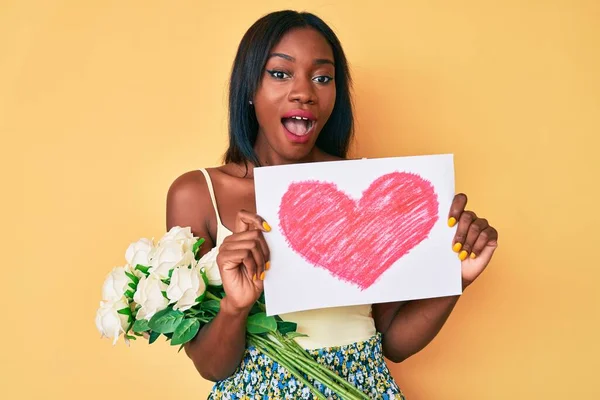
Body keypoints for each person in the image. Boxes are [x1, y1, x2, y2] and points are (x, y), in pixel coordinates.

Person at [166, 10, 498, 400]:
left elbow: (392, 340)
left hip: (365, 388)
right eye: (280, 73)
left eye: (322, 77)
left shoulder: (366, 187)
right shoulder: (196, 194)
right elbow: (211, 366)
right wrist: (236, 307)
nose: (304, 91)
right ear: (248, 89)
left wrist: (454, 278)